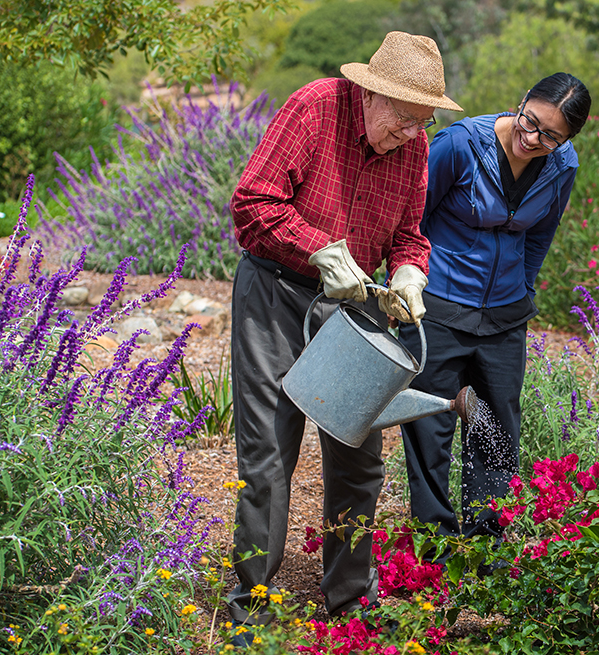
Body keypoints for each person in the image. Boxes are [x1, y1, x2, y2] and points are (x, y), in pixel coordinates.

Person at [225, 31, 462, 629]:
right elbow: (253, 204)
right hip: (277, 291)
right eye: (406, 121)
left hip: (353, 309)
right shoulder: (314, 108)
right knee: (269, 454)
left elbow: (410, 233)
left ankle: (350, 601)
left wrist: (410, 275)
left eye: (423, 123)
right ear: (373, 95)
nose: (414, 136)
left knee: (358, 456)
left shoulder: (411, 145)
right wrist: (319, 252)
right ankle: (250, 606)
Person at [398, 73, 591, 544]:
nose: (533, 139)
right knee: (431, 427)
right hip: (438, 308)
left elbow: (541, 234)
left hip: (505, 317)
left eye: (551, 136)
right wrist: (404, 286)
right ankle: (434, 551)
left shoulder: (562, 164)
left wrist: (523, 289)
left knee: (496, 432)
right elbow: (411, 218)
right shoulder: (460, 144)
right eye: (530, 122)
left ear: (567, 139)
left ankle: (488, 548)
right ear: (521, 101)